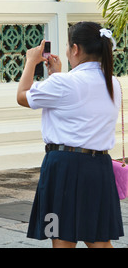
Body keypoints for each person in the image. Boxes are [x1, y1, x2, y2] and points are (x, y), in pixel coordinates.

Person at [17, 21, 124, 248]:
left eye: (68, 45)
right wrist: (58, 75)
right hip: (99, 168)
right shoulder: (113, 83)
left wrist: (30, 61)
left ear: (75, 49)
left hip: (64, 168)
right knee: (99, 241)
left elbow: (22, 96)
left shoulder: (64, 83)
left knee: (62, 237)